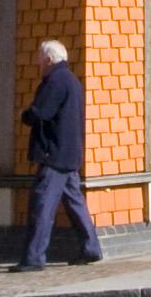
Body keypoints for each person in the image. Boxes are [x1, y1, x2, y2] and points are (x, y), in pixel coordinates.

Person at [15, 40, 103, 272]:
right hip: (70, 153)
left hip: (53, 154)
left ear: (48, 59)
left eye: (39, 57)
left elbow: (41, 112)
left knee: (42, 205)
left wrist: (25, 114)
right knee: (75, 204)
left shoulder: (54, 81)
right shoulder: (72, 81)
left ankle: (33, 257)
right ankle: (90, 247)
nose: (37, 62)